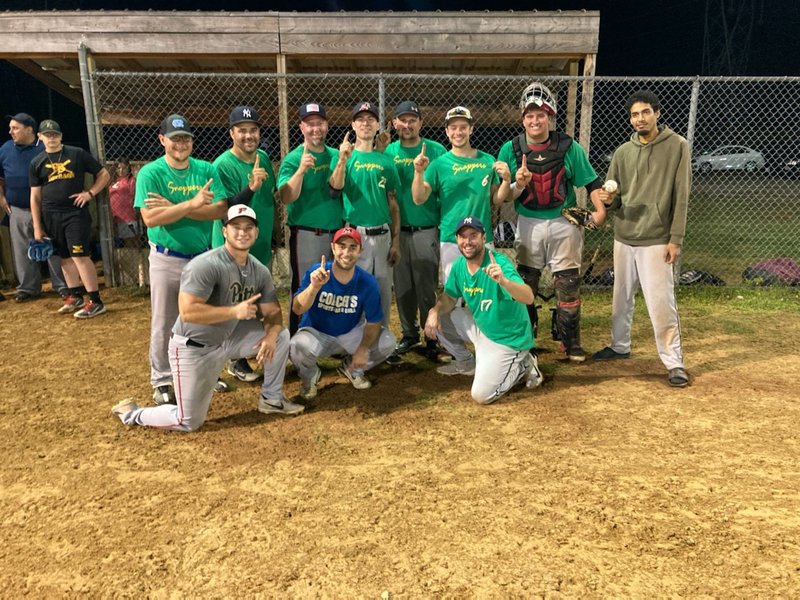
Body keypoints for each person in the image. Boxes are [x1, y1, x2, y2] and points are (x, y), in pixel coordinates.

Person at [111, 205, 302, 432]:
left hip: (226, 339)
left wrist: (270, 336)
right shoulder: (206, 265)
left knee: (280, 335)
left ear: (256, 232)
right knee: (188, 421)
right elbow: (188, 312)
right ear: (224, 231)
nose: (243, 232)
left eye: (248, 227)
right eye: (236, 227)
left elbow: (272, 313)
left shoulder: (259, 270)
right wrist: (233, 312)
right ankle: (132, 413)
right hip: (193, 347)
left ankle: (272, 399)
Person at [135, 114, 257, 406]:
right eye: (174, 139)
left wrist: (173, 208)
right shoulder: (151, 173)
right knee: (165, 321)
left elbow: (219, 210)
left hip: (203, 259)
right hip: (167, 258)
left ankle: (205, 372)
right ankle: (163, 379)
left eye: (186, 139)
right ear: (162, 140)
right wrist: (191, 204)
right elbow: (151, 218)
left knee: (207, 319)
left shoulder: (204, 169)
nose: (181, 144)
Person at [498, 82, 610, 362]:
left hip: (563, 221)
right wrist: (517, 184)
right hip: (529, 221)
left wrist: (599, 211)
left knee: (568, 283)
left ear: (550, 116)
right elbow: (504, 195)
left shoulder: (568, 147)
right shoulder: (511, 149)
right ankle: (525, 339)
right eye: (530, 115)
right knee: (526, 282)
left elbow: (591, 181)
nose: (535, 121)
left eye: (541, 115)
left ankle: (570, 342)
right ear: (523, 118)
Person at [592, 90, 690, 388]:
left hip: (657, 237)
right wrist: (609, 200)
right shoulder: (623, 152)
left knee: (661, 302)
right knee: (620, 297)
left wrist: (675, 238)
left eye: (645, 112)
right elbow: (615, 199)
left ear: (657, 113)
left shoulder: (677, 146)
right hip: (624, 235)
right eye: (634, 114)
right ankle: (619, 345)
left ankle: (674, 361)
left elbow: (681, 196)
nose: (640, 119)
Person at [411, 106, 512, 373]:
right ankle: (463, 358)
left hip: (482, 240)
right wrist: (418, 173)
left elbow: (497, 198)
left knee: (486, 297)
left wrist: (507, 181)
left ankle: (492, 352)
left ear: (471, 129)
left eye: (463, 127)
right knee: (451, 300)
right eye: (453, 127)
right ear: (447, 131)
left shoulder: (487, 161)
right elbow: (419, 198)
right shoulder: (439, 164)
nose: (458, 131)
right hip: (451, 240)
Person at [424, 216, 543, 404]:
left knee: (481, 395)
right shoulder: (459, 265)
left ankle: (524, 365)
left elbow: (528, 297)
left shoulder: (498, 263)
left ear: (483, 237)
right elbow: (449, 297)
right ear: (457, 239)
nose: (467, 241)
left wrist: (504, 281)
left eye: (473, 235)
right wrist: (435, 310)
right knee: (440, 318)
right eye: (463, 236)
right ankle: (466, 363)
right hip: (482, 327)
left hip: (507, 339)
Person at [290, 226, 396, 400]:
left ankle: (352, 368)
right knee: (296, 346)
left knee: (387, 341)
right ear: (333, 248)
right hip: (317, 333)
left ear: (360, 251)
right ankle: (310, 375)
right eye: (342, 246)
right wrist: (314, 287)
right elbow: (297, 309)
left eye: (353, 247)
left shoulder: (367, 281)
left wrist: (362, 349)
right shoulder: (317, 272)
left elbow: (374, 321)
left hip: (350, 333)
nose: (346, 252)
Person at [212, 105, 277, 383]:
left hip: (259, 246)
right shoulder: (222, 165)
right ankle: (233, 360)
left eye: (253, 130)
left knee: (255, 302)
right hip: (233, 250)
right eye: (242, 131)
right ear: (232, 133)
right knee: (233, 301)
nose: (249, 136)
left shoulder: (263, 158)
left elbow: (269, 199)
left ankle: (243, 351)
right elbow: (225, 210)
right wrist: (250, 187)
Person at [383, 101, 447, 362]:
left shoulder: (436, 150)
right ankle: (409, 334)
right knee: (403, 287)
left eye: (412, 120)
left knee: (426, 286)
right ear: (394, 123)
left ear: (421, 123)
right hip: (397, 231)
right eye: (402, 120)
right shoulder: (389, 151)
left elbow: (445, 186)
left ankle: (432, 337)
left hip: (425, 227)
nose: (407, 125)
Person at [329, 101, 401, 328]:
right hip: (355, 234)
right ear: (353, 125)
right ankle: (353, 339)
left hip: (382, 234)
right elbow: (335, 187)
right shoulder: (344, 156)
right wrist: (342, 160)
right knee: (354, 291)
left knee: (382, 292)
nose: (366, 123)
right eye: (360, 119)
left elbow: (393, 203)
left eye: (371, 119)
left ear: (378, 125)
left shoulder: (386, 160)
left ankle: (382, 338)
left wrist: (396, 241)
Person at [29, 119, 110, 318]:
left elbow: (104, 174)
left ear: (61, 136)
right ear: (40, 137)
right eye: (47, 135)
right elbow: (35, 196)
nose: (52, 138)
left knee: (79, 255)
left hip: (75, 213)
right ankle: (75, 296)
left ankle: (96, 301)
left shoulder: (76, 154)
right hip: (51, 215)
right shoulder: (37, 162)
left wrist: (90, 193)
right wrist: (38, 226)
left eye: (55, 135)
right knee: (64, 257)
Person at [277, 102, 341, 336]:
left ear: (327, 125)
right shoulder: (294, 158)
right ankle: (298, 337)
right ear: (302, 127)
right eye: (310, 124)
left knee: (333, 288)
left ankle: (328, 336)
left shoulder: (335, 155)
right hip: (306, 233)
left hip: (337, 233)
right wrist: (301, 171)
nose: (315, 128)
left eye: (319, 123)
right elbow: (286, 196)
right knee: (304, 286)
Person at [0, 112, 66, 301]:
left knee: (54, 247)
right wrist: (1, 197)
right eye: (10, 128)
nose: (10, 132)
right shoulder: (6, 148)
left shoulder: (45, 147)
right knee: (22, 251)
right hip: (17, 208)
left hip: (47, 208)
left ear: (29, 129)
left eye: (15, 128)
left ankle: (63, 285)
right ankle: (28, 288)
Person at [108, 156, 140, 247]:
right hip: (114, 217)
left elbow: (135, 197)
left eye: (124, 168)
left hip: (127, 217)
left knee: (130, 244)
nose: (121, 171)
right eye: (118, 168)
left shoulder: (131, 180)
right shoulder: (113, 181)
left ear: (128, 168)